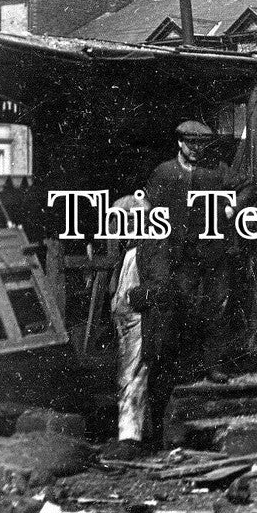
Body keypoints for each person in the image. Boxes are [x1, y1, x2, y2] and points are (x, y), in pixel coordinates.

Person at [134, 121, 252, 442]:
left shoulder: (216, 171)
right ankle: (183, 368)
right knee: (185, 308)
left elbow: (248, 186)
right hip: (178, 255)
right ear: (181, 143)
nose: (198, 150)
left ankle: (212, 365)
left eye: (202, 145)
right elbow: (148, 206)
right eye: (192, 144)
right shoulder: (165, 173)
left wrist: (231, 208)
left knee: (216, 305)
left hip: (211, 251)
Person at [104, 192, 150, 461]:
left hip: (136, 320)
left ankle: (131, 438)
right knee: (126, 375)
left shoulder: (144, 251)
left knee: (134, 375)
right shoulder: (129, 252)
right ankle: (128, 434)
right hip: (124, 321)